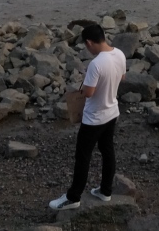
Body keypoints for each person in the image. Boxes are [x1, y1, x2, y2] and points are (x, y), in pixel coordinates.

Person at [49, 24, 127, 211]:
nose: (87, 49)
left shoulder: (96, 63)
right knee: (107, 151)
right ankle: (105, 191)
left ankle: (73, 197)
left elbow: (89, 93)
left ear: (90, 42)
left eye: (86, 45)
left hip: (94, 118)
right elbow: (122, 78)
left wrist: (83, 88)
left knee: (83, 157)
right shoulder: (120, 54)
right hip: (112, 112)